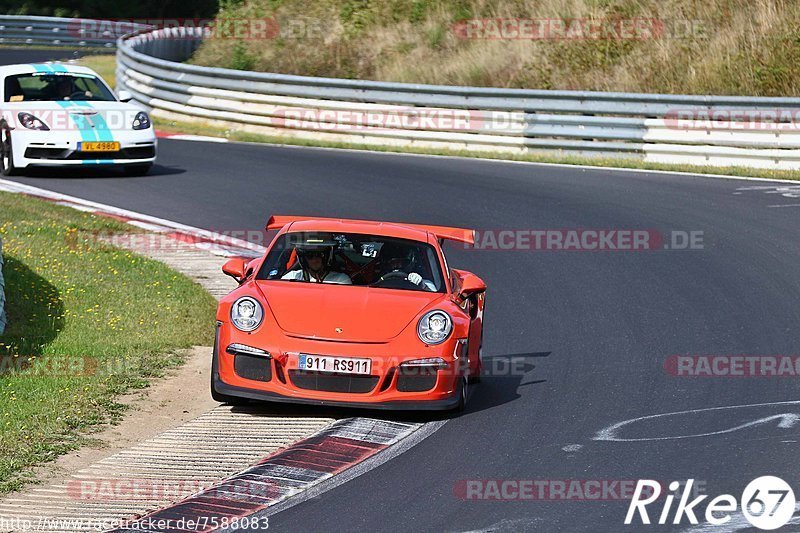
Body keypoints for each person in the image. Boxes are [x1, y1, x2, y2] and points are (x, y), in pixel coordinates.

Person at [281, 246, 351, 284]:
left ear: (325, 258)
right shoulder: (292, 277)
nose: (315, 260)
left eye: (319, 255)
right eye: (310, 256)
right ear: (304, 260)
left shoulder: (341, 280)